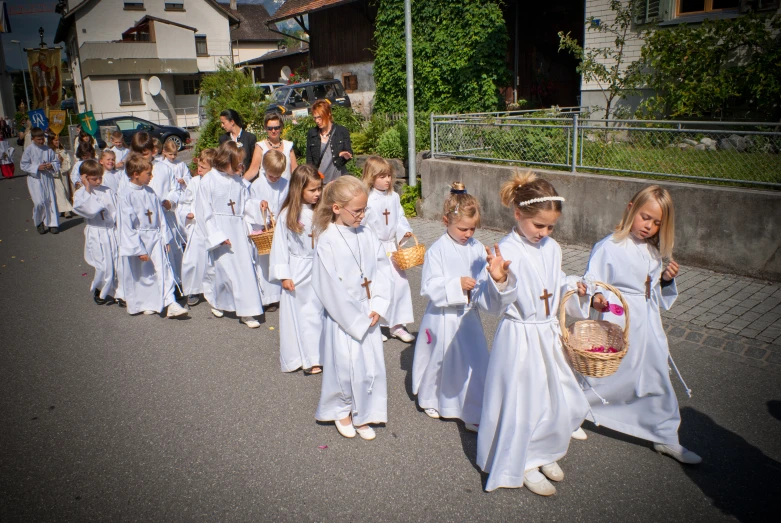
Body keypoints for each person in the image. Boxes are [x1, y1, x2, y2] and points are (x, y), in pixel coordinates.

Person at [476, 170, 591, 496]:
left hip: (547, 334)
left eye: (550, 226)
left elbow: (554, 287)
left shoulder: (552, 248)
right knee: (522, 401)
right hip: (520, 338)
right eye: (538, 225)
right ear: (518, 214)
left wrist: (575, 289)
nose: (544, 232)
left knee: (551, 398)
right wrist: (498, 280)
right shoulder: (507, 251)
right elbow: (495, 304)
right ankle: (521, 461)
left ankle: (544, 450)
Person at [579, 185, 702, 465]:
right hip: (617, 318)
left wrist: (667, 279)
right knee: (607, 371)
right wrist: (596, 296)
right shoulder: (610, 245)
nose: (649, 226)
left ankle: (665, 433)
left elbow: (654, 294)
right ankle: (579, 410)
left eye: (657, 222)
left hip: (647, 323)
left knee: (656, 373)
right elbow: (592, 279)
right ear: (631, 208)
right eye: (645, 217)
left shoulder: (653, 252)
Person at [412, 183, 516, 430]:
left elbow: (482, 283)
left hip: (468, 317)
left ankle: (471, 409)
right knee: (440, 360)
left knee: (474, 361)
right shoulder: (437, 249)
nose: (468, 234)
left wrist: (493, 275)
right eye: (462, 228)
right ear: (445, 220)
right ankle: (432, 399)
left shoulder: (478, 249)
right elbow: (428, 285)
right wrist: (456, 284)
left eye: (472, 228)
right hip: (442, 316)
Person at [311, 176, 392, 441]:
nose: (362, 215)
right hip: (344, 317)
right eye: (357, 211)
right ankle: (341, 409)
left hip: (369, 310)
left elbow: (381, 269)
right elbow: (328, 287)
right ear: (336, 208)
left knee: (370, 366)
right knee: (345, 366)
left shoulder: (367, 233)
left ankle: (364, 412)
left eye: (364, 209)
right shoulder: (327, 240)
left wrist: (379, 303)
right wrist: (355, 319)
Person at [197, 141, 265, 328]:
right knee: (223, 272)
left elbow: (246, 204)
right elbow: (205, 212)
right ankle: (218, 301)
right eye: (237, 163)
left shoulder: (238, 182)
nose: (240, 167)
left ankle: (247, 311)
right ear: (226, 161)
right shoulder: (208, 181)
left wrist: (258, 205)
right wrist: (217, 236)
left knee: (243, 271)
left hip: (238, 230)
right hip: (221, 230)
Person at [116, 154, 188, 318]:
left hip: (155, 237)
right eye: (148, 174)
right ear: (136, 174)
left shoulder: (150, 192)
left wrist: (165, 236)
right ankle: (146, 303)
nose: (151, 177)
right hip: (139, 238)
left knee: (164, 268)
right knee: (144, 274)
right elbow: (126, 225)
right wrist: (138, 248)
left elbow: (160, 217)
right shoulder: (125, 194)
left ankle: (171, 303)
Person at [269, 164, 324, 374]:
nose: (317, 194)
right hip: (298, 271)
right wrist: (284, 275)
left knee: (318, 314)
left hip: (319, 269)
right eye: (312, 190)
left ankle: (319, 355)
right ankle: (305, 358)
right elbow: (280, 246)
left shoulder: (321, 211)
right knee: (302, 315)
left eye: (319, 189)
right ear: (298, 189)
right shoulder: (287, 215)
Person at [362, 156, 415, 342]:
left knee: (399, 283)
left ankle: (397, 324)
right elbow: (363, 223)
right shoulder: (367, 199)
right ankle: (376, 324)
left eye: (389, 176)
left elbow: (400, 217)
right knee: (376, 285)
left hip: (391, 247)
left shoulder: (394, 197)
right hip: (374, 248)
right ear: (371, 177)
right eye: (382, 176)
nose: (387, 180)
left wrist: (405, 231)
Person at [136, 132, 184, 287]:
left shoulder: (164, 168)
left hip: (166, 216)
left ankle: (175, 283)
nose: (143, 157)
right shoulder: (133, 171)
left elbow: (175, 189)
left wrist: (171, 201)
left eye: (145, 154)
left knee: (172, 251)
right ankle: (154, 287)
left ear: (153, 151)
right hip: (145, 222)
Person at [71, 159, 120, 305]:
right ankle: (100, 289)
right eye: (94, 178)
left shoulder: (107, 191)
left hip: (111, 231)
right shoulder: (81, 194)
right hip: (96, 232)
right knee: (102, 265)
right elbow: (88, 210)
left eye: (100, 177)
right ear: (84, 177)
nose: (98, 181)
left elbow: (116, 210)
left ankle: (118, 292)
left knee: (116, 262)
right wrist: (86, 187)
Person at [248, 149, 289, 309]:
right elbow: (252, 205)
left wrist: (281, 218)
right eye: (272, 176)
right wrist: (263, 213)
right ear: (264, 169)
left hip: (280, 225)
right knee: (265, 263)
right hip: (264, 228)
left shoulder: (285, 183)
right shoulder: (258, 185)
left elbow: (286, 202)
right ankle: (268, 297)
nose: (275, 179)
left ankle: (281, 294)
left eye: (278, 176)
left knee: (281, 259)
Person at [179, 149, 216, 307]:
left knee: (212, 261)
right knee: (193, 260)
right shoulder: (194, 182)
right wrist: (186, 213)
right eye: (198, 166)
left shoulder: (216, 182)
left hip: (211, 227)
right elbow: (184, 202)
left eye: (203, 167)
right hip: (196, 227)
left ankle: (215, 289)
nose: (199, 169)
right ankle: (193, 289)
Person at [20, 127, 61, 234]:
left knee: (50, 200)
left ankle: (53, 224)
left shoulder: (48, 150)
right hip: (35, 179)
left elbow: (56, 162)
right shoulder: (29, 150)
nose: (41, 141)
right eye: (39, 139)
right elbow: (23, 165)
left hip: (47, 178)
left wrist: (51, 165)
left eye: (42, 138)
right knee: (39, 202)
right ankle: (39, 222)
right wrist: (37, 167)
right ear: (33, 139)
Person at [305, 100, 352, 184]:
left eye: (320, 117)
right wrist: (311, 177)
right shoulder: (312, 133)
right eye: (315, 118)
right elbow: (309, 159)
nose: (317, 121)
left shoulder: (341, 131)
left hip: (339, 180)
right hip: (320, 181)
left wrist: (345, 156)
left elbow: (348, 152)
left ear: (328, 114)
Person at [246, 112, 297, 181]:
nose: (273, 131)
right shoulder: (260, 146)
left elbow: (295, 170)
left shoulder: (288, 146)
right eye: (270, 128)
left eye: (276, 128)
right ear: (265, 128)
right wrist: (240, 182)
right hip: (266, 189)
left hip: (285, 189)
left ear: (281, 128)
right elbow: (253, 170)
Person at [218, 109, 257, 174]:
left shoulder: (250, 138)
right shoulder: (223, 139)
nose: (222, 125)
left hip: (247, 178)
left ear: (232, 122)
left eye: (223, 123)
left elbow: (253, 162)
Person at [48, 134, 74, 218]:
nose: (57, 142)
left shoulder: (62, 150)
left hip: (63, 173)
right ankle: (64, 210)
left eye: (58, 140)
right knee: (59, 192)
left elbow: (68, 160)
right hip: (54, 175)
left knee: (65, 190)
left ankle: (66, 209)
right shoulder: (49, 151)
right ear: (51, 141)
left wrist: (62, 160)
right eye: (55, 140)